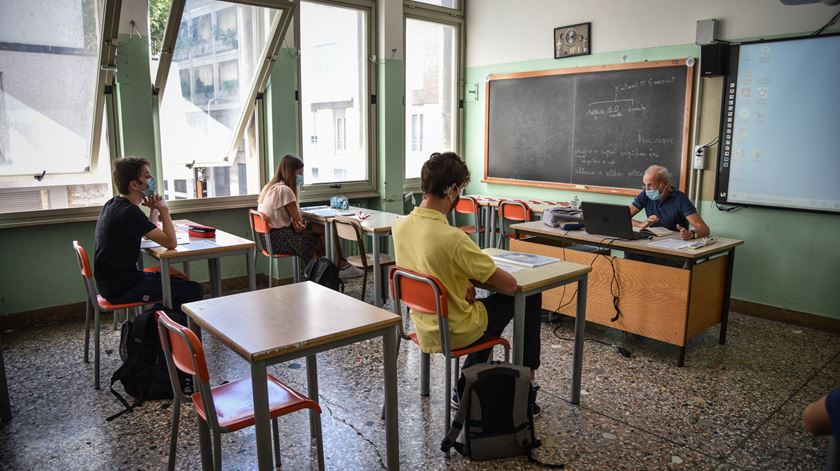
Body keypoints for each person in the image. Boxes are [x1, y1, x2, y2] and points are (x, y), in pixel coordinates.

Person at [392, 152, 543, 413]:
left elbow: (424, 267)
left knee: (488, 311)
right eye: (460, 189)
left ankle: (466, 384)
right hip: (456, 329)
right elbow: (508, 285)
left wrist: (460, 280)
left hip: (423, 324)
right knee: (529, 296)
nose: (460, 194)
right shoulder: (452, 237)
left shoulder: (401, 226)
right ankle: (525, 388)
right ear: (451, 190)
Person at [94, 157, 203, 312]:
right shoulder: (129, 212)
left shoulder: (114, 204)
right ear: (134, 185)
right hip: (123, 289)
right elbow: (171, 243)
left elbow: (146, 234)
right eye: (146, 176)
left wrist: (154, 209)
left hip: (115, 283)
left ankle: (161, 321)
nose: (151, 180)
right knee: (193, 290)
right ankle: (163, 328)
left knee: (176, 281)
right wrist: (164, 209)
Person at [257, 155, 358, 274]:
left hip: (268, 240)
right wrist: (299, 223)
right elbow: (299, 221)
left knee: (321, 234)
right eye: (300, 172)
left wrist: (299, 224)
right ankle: (336, 267)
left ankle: (324, 271)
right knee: (327, 232)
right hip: (281, 239)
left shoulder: (269, 187)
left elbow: (297, 222)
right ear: (290, 173)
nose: (302, 176)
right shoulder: (284, 190)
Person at [629, 164, 711, 241]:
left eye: (650, 185)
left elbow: (704, 229)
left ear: (665, 183)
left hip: (674, 245)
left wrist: (691, 234)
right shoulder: (645, 195)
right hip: (652, 242)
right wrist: (640, 224)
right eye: (645, 185)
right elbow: (623, 217)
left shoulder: (680, 199)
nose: (647, 189)